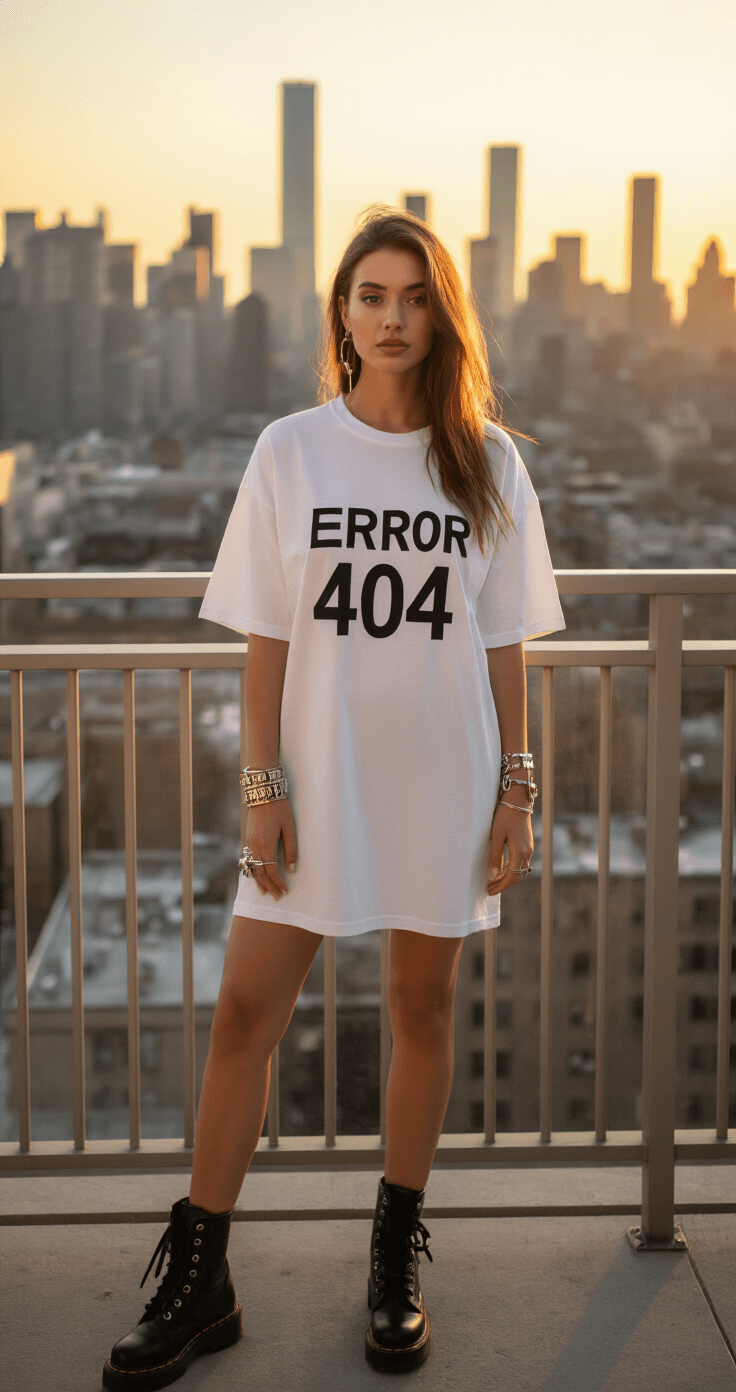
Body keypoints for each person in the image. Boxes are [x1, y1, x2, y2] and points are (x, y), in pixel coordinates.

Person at [102, 208, 564, 1390]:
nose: (393, 318)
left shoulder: (489, 460)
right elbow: (266, 636)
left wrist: (518, 787)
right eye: (371, 296)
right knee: (243, 1016)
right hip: (315, 781)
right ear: (341, 315)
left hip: (444, 776)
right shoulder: (289, 452)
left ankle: (393, 1263)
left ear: (441, 313)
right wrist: (262, 784)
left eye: (414, 297)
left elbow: (504, 642)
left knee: (418, 1011)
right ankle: (200, 1278)